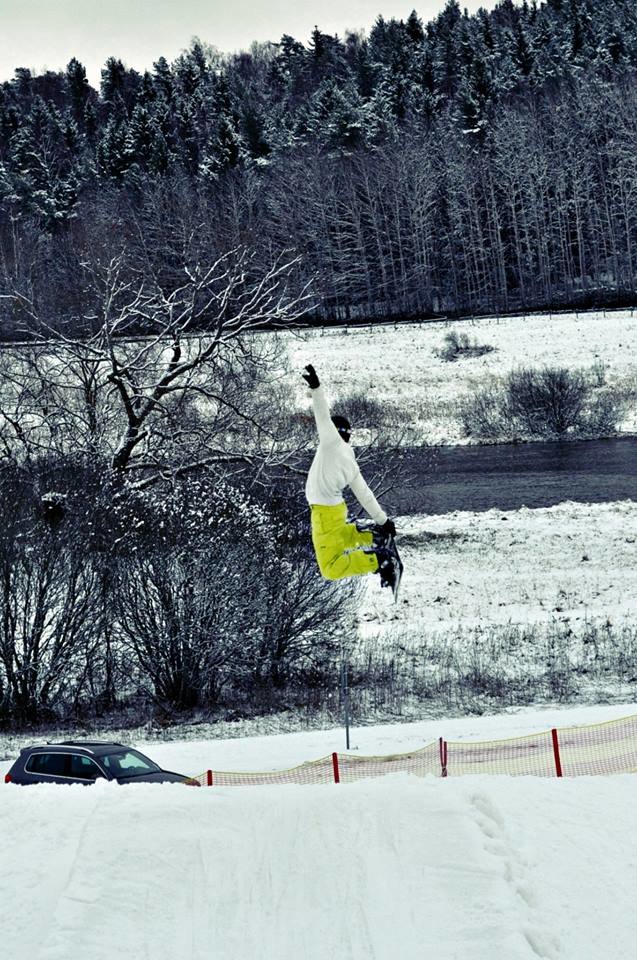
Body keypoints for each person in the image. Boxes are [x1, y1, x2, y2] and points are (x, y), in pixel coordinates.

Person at [302, 363, 399, 591]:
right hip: (333, 511)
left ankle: (379, 562)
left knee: (330, 567)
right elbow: (364, 495)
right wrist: (383, 521)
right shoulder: (349, 460)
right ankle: (374, 537)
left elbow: (322, 415)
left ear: (336, 432)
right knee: (341, 539)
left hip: (325, 513)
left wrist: (317, 388)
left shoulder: (330, 442)